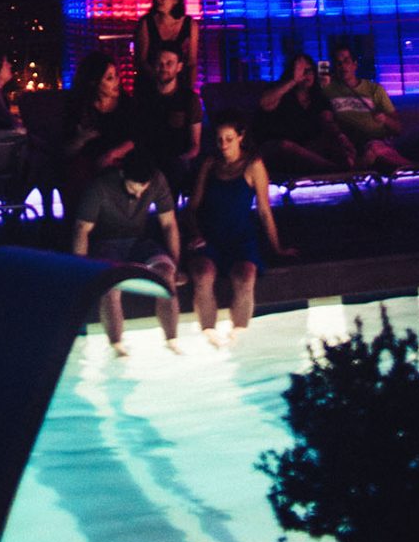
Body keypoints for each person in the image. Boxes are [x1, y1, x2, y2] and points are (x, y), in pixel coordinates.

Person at [186, 112, 294, 344]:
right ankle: (208, 330)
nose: (223, 145)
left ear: (240, 137)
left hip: (240, 237)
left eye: (228, 139)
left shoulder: (253, 165)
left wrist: (278, 248)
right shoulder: (210, 164)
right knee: (202, 275)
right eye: (219, 140)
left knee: (245, 277)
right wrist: (195, 234)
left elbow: (265, 211)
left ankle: (239, 331)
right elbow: (192, 207)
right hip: (210, 235)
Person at [324, 43, 419, 199]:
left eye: (347, 61)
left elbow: (398, 128)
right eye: (338, 62)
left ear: (355, 64)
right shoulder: (327, 90)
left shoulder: (374, 90)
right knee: (374, 148)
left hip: (392, 143)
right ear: (334, 66)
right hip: (367, 147)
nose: (343, 66)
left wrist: (384, 120)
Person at [72, 145, 183, 354]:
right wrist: (80, 272)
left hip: (139, 243)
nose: (139, 193)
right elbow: (81, 230)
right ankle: (117, 345)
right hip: (107, 244)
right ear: (122, 174)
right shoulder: (100, 186)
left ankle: (171, 339)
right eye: (134, 188)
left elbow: (169, 223)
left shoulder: (157, 180)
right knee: (111, 284)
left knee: (166, 274)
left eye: (144, 188)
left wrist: (176, 264)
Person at [256, 52, 356, 178]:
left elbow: (328, 121)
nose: (307, 74)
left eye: (309, 70)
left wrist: (341, 137)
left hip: (306, 147)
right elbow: (265, 103)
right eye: (302, 71)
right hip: (276, 148)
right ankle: (336, 171)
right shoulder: (280, 91)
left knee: (334, 142)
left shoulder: (318, 98)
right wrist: (293, 80)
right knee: (285, 146)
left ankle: (351, 168)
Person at [62, 51, 134, 209]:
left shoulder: (126, 104)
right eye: (109, 78)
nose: (116, 81)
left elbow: (137, 139)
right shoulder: (80, 108)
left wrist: (112, 154)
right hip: (87, 162)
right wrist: (81, 140)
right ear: (94, 82)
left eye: (116, 75)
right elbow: (65, 150)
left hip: (119, 158)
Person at [131, 43, 203, 195]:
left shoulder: (188, 99)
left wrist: (183, 158)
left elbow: (195, 145)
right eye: (160, 63)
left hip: (176, 159)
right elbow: (137, 135)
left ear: (179, 67)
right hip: (149, 157)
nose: (164, 67)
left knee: (172, 171)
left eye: (169, 63)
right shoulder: (144, 98)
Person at [134, 0, 199, 86]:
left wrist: (190, 91)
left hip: (179, 86)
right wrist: (161, 81)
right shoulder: (146, 23)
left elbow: (191, 62)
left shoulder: (190, 25)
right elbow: (141, 61)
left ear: (176, 0)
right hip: (151, 84)